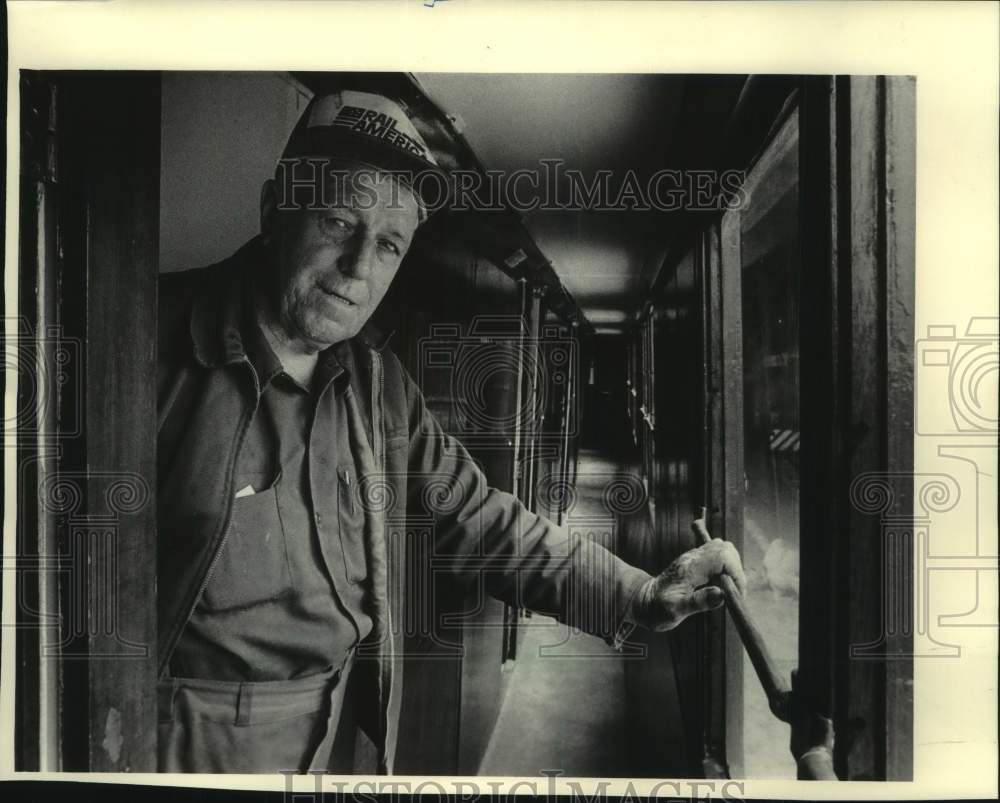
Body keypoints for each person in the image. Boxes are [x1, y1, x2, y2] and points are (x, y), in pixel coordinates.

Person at [156, 89, 746, 774]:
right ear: (273, 210)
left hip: (342, 726)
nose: (358, 267)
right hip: (179, 738)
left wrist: (637, 593)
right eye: (338, 221)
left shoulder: (379, 389)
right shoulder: (142, 343)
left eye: (388, 244)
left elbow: (483, 522)